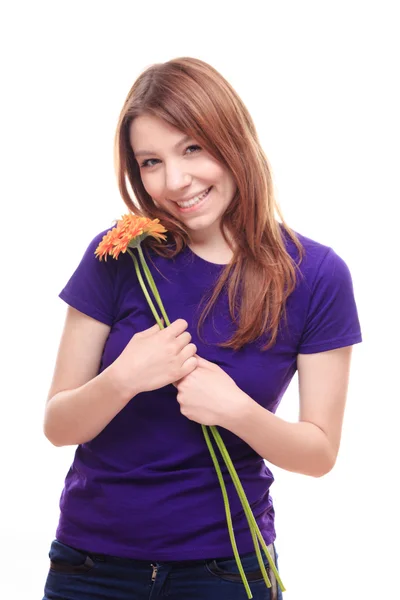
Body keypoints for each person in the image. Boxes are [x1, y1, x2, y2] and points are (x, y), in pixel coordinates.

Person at [42, 57, 362, 600]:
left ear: (232, 139)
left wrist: (235, 410)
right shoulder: (121, 255)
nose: (174, 181)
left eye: (192, 149)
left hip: (227, 570)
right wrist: (124, 377)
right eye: (150, 162)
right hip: (90, 567)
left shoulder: (317, 275)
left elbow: (319, 453)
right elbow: (58, 425)